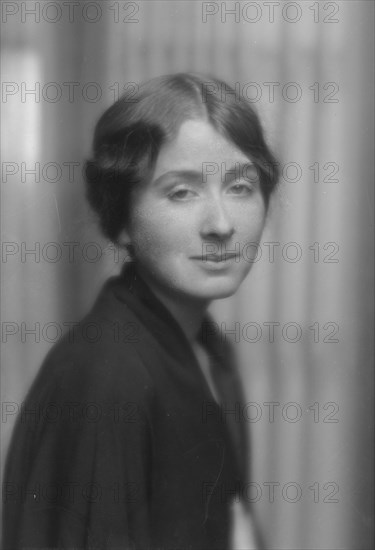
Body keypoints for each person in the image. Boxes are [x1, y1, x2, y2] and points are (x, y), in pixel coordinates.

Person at [2, 73, 279, 549]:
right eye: (181, 192)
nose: (220, 224)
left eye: (239, 186)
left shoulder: (208, 350)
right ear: (122, 220)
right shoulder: (108, 379)